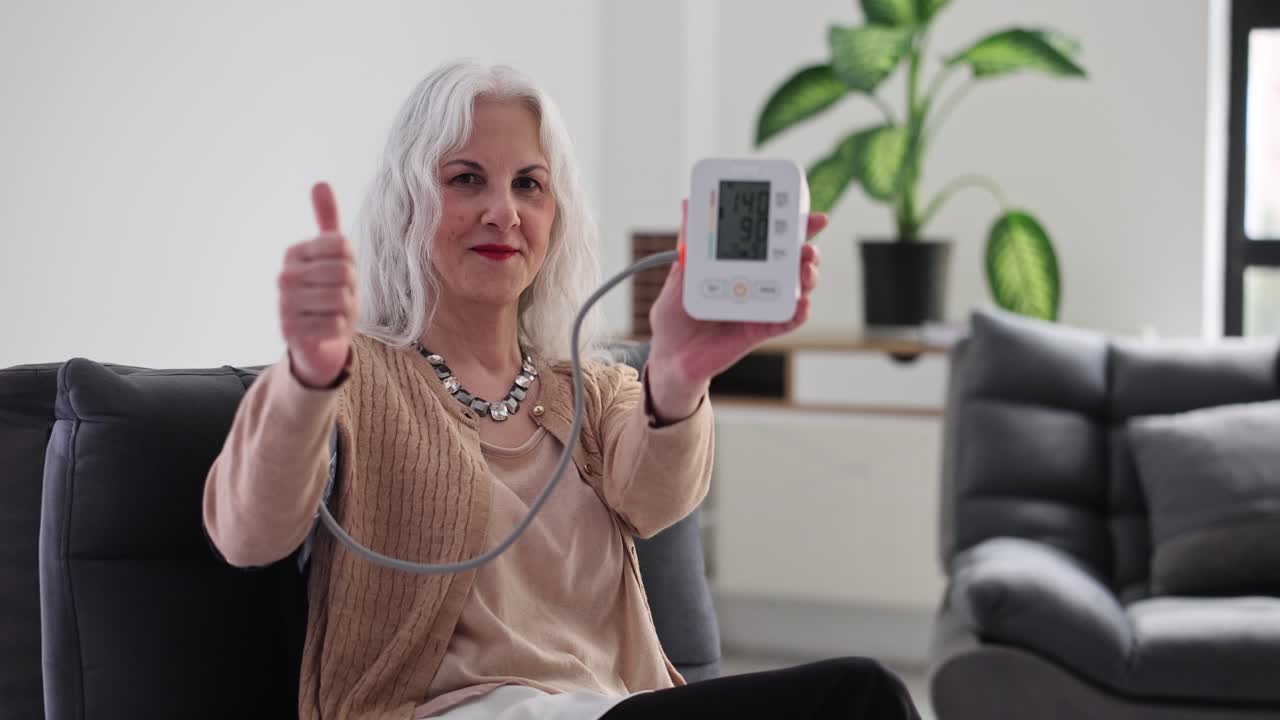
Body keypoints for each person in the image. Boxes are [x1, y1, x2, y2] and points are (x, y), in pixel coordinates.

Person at [203, 60, 921, 720]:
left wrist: (677, 371)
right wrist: (308, 377)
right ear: (407, 204)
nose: (503, 212)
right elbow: (247, 534)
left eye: (528, 185)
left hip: (607, 707)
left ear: (556, 217)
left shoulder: (589, 387)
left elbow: (657, 499)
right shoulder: (354, 376)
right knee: (856, 698)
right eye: (466, 180)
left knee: (867, 695)